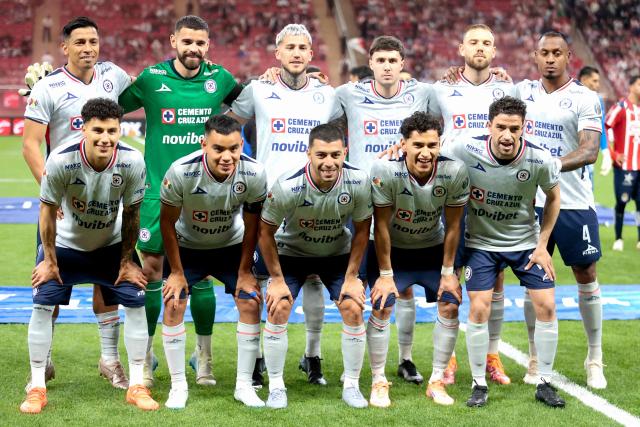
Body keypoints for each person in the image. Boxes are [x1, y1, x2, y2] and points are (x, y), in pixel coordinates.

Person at [118, 15, 244, 388]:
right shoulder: (150, 79)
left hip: (207, 192)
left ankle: (203, 358)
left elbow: (252, 101)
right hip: (158, 192)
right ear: (174, 41)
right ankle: (147, 356)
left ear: (208, 45)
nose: (194, 49)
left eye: (201, 43)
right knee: (154, 272)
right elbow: (113, 107)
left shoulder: (219, 78)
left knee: (200, 274)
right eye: (187, 41)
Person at [20, 98, 157, 414]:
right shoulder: (60, 160)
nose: (106, 138)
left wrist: (126, 261)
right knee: (42, 301)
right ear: (84, 128)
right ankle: (37, 386)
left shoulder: (132, 161)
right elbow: (46, 211)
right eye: (98, 130)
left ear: (120, 130)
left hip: (110, 249)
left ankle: (136, 384)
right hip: (66, 249)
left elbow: (133, 214)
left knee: (136, 298)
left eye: (112, 130)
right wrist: (50, 260)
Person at [229, 23, 344, 386]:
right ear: (277, 53)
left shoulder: (327, 95)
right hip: (266, 198)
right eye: (289, 47)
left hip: (315, 197)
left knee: (311, 277)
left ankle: (313, 356)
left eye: (302, 48)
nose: (296, 53)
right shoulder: (258, 90)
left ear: (311, 55)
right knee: (263, 280)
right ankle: (260, 357)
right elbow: (230, 118)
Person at [22, 16, 134, 390]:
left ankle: (109, 360)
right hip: (64, 199)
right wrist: (51, 198)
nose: (89, 48)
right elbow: (30, 146)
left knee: (109, 281)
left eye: (94, 41)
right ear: (65, 47)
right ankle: (45, 360)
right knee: (51, 279)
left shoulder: (113, 76)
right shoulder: (49, 86)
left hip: (104, 197)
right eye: (80, 42)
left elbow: (145, 93)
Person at [442, 96, 564, 408]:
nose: (507, 135)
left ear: (525, 128)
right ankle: (479, 383)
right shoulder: (464, 148)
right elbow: (429, 153)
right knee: (479, 308)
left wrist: (542, 246)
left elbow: (553, 198)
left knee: (547, 306)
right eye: (501, 127)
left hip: (525, 245)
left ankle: (545, 382)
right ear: (489, 127)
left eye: (514, 128)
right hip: (481, 244)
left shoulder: (540, 159)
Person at [334, 35, 438, 385]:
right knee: (349, 279)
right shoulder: (348, 94)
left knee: (401, 285)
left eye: (394, 61)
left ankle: (405, 359)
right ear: (372, 63)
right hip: (359, 199)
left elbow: (452, 115)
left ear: (402, 64)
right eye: (381, 61)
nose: (388, 67)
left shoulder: (421, 93)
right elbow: (318, 118)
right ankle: (317, 355)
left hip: (401, 199)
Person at [258, 124, 372, 409]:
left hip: (336, 253)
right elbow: (265, 232)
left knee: (353, 306)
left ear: (345, 152)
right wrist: (277, 279)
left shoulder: (358, 181)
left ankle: (352, 386)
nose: (329, 162)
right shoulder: (288, 185)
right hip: (291, 253)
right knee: (279, 305)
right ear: (308, 153)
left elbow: (362, 231)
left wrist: (352, 277)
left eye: (336, 154)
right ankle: (275, 386)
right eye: (321, 154)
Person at [516, 31, 605, 389]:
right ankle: (535, 356)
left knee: (585, 272)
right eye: (544, 53)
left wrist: (548, 165)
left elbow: (589, 151)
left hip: (573, 202)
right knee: (532, 281)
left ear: (569, 55)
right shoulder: (521, 92)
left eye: (557, 53)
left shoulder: (585, 97)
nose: (550, 58)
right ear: (535, 55)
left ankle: (594, 357)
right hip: (528, 203)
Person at [159, 115, 267, 409]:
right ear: (204, 144)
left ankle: (244, 386)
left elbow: (253, 223)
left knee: (250, 300)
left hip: (231, 247)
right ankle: (178, 386)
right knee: (173, 301)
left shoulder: (254, 173)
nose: (227, 156)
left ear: (241, 144)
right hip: (187, 247)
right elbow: (166, 223)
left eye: (233, 148)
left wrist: (245, 271)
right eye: (219, 149)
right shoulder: (180, 171)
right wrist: (177, 272)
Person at [429, 23, 516, 386]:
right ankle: (447, 359)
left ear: (494, 52)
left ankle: (491, 356)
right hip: (450, 193)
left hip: (493, 194)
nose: (480, 48)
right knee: (449, 276)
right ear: (461, 48)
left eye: (487, 43)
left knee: (494, 279)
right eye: (474, 43)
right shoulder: (440, 88)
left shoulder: (508, 87)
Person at [367, 112, 469, 407]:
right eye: (418, 145)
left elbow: (453, 226)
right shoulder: (384, 170)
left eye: (432, 145)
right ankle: (378, 381)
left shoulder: (455, 171)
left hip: (430, 247)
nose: (425, 153)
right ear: (404, 144)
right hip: (391, 249)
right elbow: (381, 226)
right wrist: (386, 274)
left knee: (450, 300)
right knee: (382, 304)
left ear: (440, 144)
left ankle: (437, 381)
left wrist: (449, 271)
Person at [604, 75, 640, 251]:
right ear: (631, 86)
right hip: (625, 167)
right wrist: (613, 153)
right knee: (622, 202)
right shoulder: (621, 107)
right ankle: (618, 238)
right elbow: (605, 126)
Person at [578, 66, 610, 181]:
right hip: (569, 154)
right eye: (594, 81)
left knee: (587, 193)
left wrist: (605, 151)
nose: (598, 85)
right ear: (585, 79)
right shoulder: (570, 96)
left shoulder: (597, 99)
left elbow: (600, 125)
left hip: (588, 155)